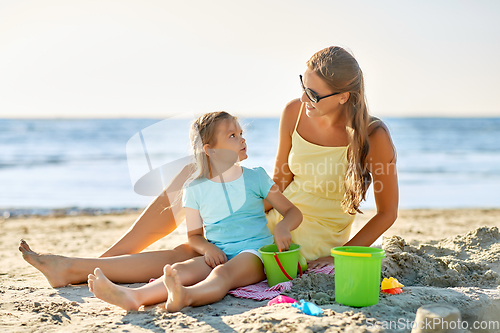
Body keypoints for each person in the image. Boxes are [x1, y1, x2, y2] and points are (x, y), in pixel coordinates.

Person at [19, 45, 398, 287]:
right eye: (303, 84)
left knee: (187, 256)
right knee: (193, 178)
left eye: (313, 93)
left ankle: (76, 269)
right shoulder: (294, 112)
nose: (304, 96)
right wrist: (235, 202)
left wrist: (338, 256)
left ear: (344, 96)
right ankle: (97, 264)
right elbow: (282, 178)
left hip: (307, 236)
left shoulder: (372, 135)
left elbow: (386, 214)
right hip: (274, 213)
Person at [86, 111, 302, 311]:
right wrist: (207, 248)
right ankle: (136, 297)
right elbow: (195, 237)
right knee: (180, 270)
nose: (242, 139)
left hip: (255, 254)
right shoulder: (194, 188)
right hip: (218, 253)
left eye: (241, 133)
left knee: (221, 274)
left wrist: (283, 226)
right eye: (233, 135)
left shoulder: (257, 177)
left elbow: (292, 212)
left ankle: (186, 297)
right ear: (210, 150)